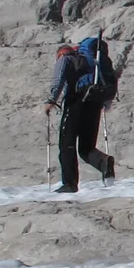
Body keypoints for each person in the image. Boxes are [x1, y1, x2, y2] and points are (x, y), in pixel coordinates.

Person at [45, 41, 115, 193]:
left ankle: (69, 184)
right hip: (95, 103)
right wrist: (105, 103)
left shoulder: (65, 59)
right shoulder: (93, 62)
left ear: (60, 53)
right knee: (86, 147)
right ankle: (103, 161)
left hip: (75, 102)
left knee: (67, 144)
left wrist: (51, 100)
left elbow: (58, 80)